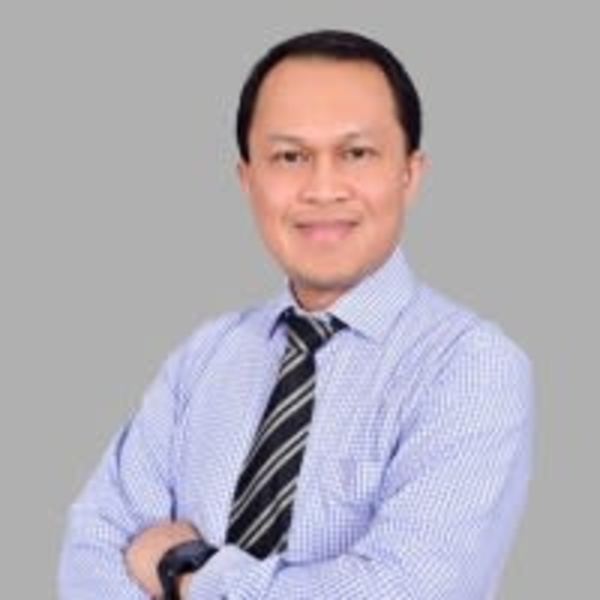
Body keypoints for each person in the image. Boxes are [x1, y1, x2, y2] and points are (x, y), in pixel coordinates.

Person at [59, 29, 534, 599]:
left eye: (356, 154)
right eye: (290, 157)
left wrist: (187, 570)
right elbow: (91, 552)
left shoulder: (471, 367)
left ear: (410, 174)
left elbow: (410, 589)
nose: (323, 188)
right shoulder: (205, 356)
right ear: (248, 179)